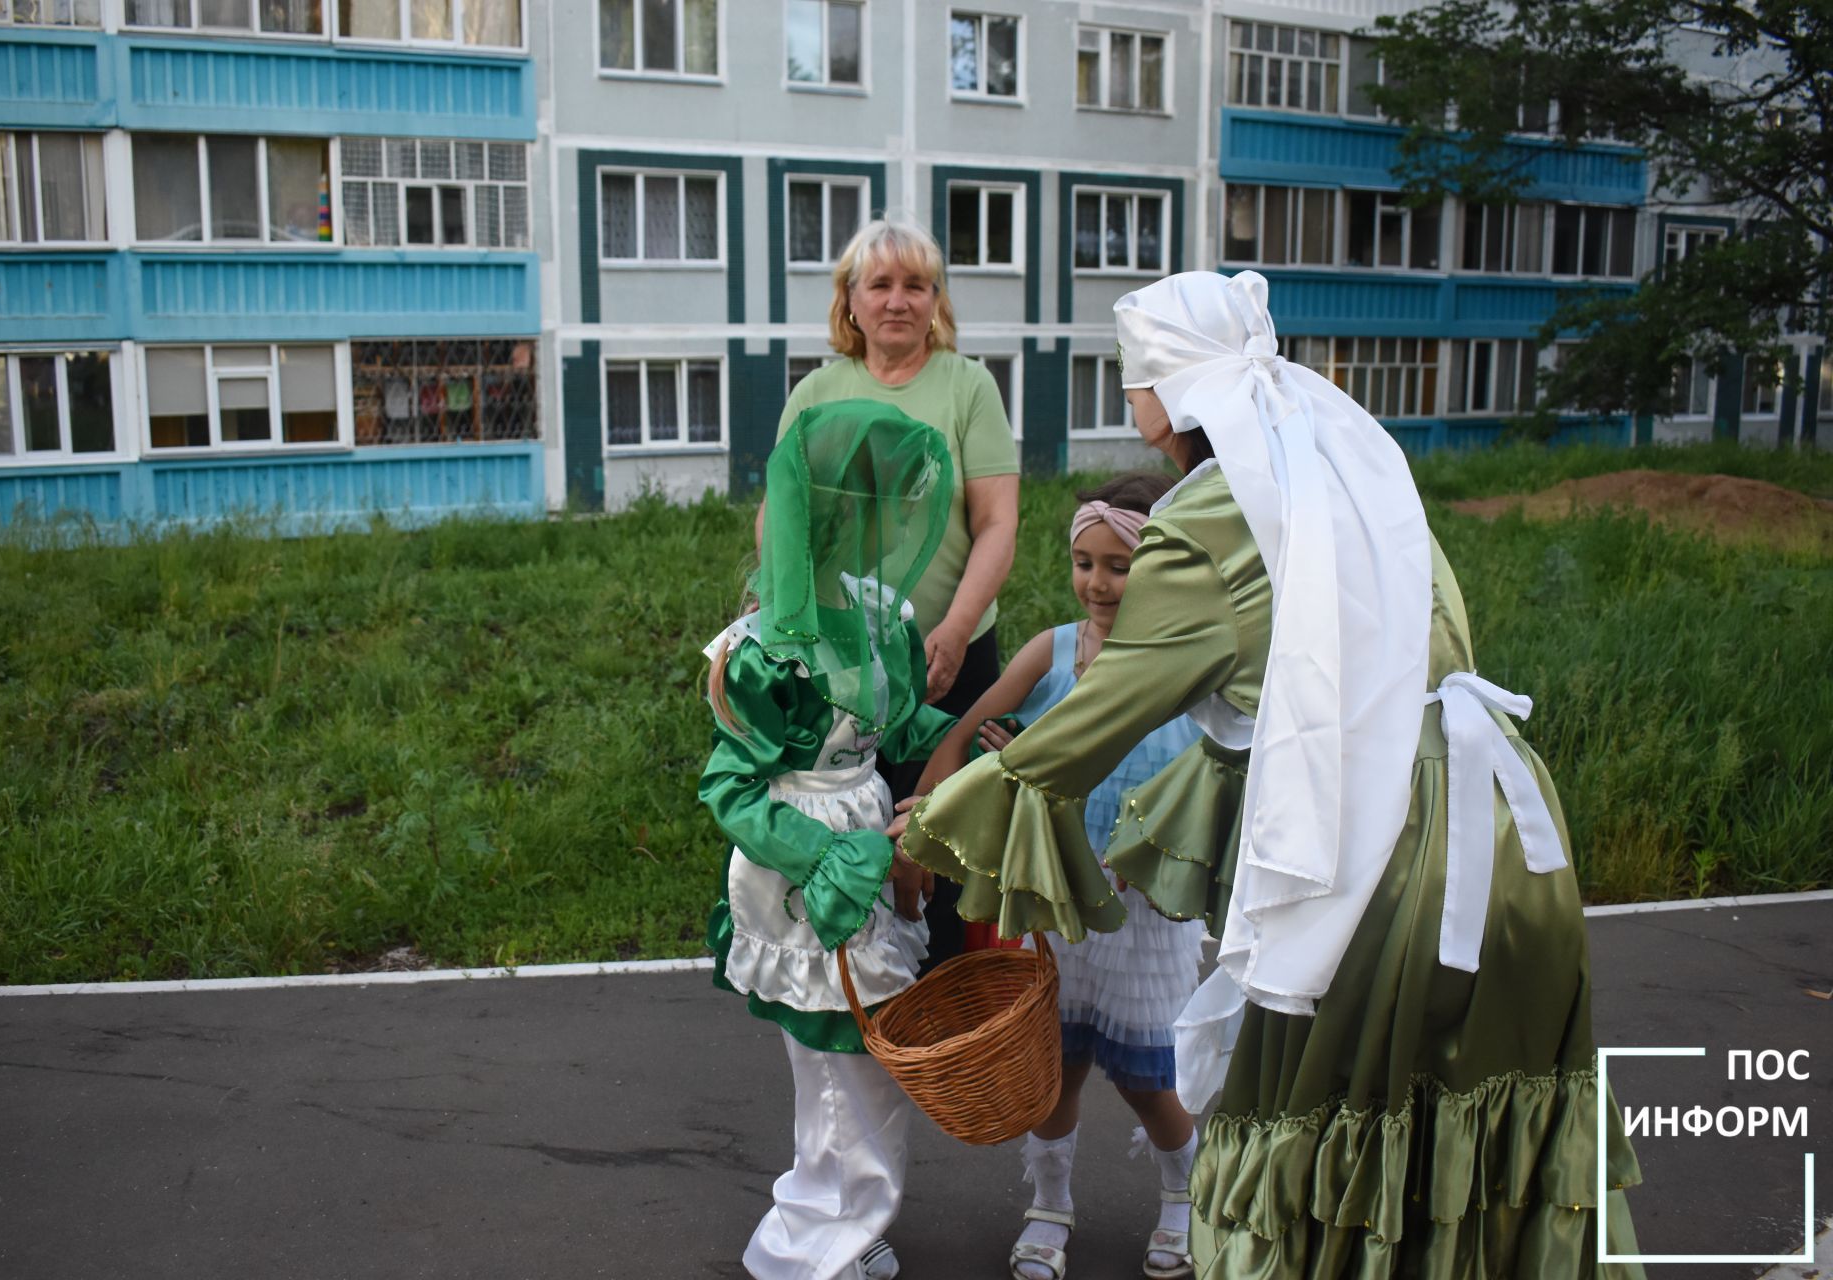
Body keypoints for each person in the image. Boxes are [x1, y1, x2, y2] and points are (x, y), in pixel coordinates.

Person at [899, 271, 1646, 1277]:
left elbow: (1080, 735)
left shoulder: (1202, 522)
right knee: (1468, 1156)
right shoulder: (1348, 467)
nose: (1127, 405)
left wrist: (930, 825)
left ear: (1162, 389)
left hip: (1377, 856)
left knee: (1324, 1150)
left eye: (1127, 379)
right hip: (1504, 832)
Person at [903, 471, 1207, 1280]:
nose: (1098, 583)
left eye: (1119, 564)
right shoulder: (1054, 650)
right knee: (1054, 1069)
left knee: (1148, 1077)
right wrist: (930, 816)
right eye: (1084, 562)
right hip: (1057, 902)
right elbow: (967, 733)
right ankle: (1049, 1205)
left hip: (1146, 913)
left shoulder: (1188, 662)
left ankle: (1185, 1194)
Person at [702, 400, 958, 1280]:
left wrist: (962, 735)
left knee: (863, 1053)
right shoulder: (759, 649)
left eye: (870, 504)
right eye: (842, 503)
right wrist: (820, 857)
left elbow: (890, 723)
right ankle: (818, 1236)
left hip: (868, 847)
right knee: (839, 1053)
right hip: (803, 863)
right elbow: (729, 786)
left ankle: (833, 1221)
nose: (860, 520)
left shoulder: (879, 612)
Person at [774, 216, 1020, 970]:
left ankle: (953, 1021)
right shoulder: (817, 391)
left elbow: (997, 523)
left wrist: (956, 627)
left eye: (916, 284)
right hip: (841, 667)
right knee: (853, 837)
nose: (897, 300)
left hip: (954, 657)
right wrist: (781, 617)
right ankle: (866, 1011)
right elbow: (781, 520)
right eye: (879, 284)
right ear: (850, 301)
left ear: (936, 300)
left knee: (946, 841)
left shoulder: (968, 385)